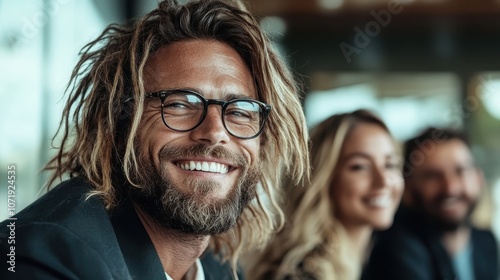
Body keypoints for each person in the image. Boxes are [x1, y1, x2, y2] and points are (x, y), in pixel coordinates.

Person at [0, 0, 310, 279]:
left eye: (240, 111)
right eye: (179, 104)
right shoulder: (47, 259)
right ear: (118, 125)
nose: (216, 132)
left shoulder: (217, 269)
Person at [246, 109, 404, 280]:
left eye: (390, 165)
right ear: (324, 179)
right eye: (360, 167)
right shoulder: (302, 273)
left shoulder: (381, 259)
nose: (384, 182)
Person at [365, 127, 499, 280]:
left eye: (460, 171)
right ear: (407, 188)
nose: (450, 188)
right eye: (432, 176)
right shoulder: (397, 249)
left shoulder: (485, 241)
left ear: (478, 178)